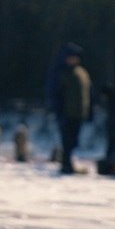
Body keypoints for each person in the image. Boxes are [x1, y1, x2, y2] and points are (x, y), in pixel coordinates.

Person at [47, 43, 91, 174]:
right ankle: (66, 164)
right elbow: (53, 93)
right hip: (66, 113)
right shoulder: (59, 72)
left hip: (78, 113)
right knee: (67, 140)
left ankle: (68, 163)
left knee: (73, 140)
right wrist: (58, 110)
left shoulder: (81, 72)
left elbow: (88, 93)